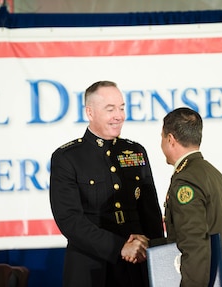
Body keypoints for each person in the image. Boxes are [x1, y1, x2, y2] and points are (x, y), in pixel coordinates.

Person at [49, 80, 164, 287]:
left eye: (121, 108)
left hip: (136, 267)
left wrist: (158, 257)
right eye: (110, 109)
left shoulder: (135, 151)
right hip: (91, 269)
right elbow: (69, 219)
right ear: (90, 112)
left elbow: (151, 214)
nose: (119, 115)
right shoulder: (67, 158)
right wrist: (119, 247)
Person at [160, 107, 222, 287]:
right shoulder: (211, 173)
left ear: (170, 139)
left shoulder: (186, 179)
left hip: (212, 278)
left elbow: (194, 244)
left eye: (161, 137)